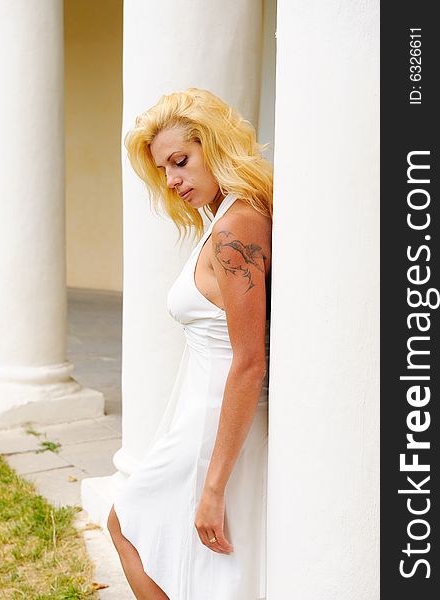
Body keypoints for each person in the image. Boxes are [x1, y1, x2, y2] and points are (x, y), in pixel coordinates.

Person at [107, 88, 273, 600]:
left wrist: (214, 485)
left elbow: (249, 363)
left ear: (215, 145)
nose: (173, 180)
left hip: (209, 431)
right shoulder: (229, 220)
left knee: (125, 522)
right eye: (165, 170)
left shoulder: (235, 230)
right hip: (201, 422)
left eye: (180, 161)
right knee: (204, 567)